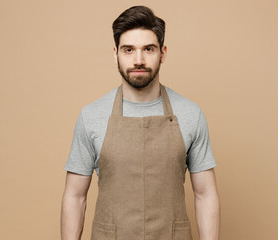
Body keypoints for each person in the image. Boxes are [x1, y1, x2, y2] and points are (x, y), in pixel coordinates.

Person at [61, 5, 220, 240]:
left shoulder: (190, 114)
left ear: (163, 53)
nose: (139, 60)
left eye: (148, 49)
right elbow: (75, 196)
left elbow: (205, 194)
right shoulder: (91, 116)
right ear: (115, 53)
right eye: (128, 50)